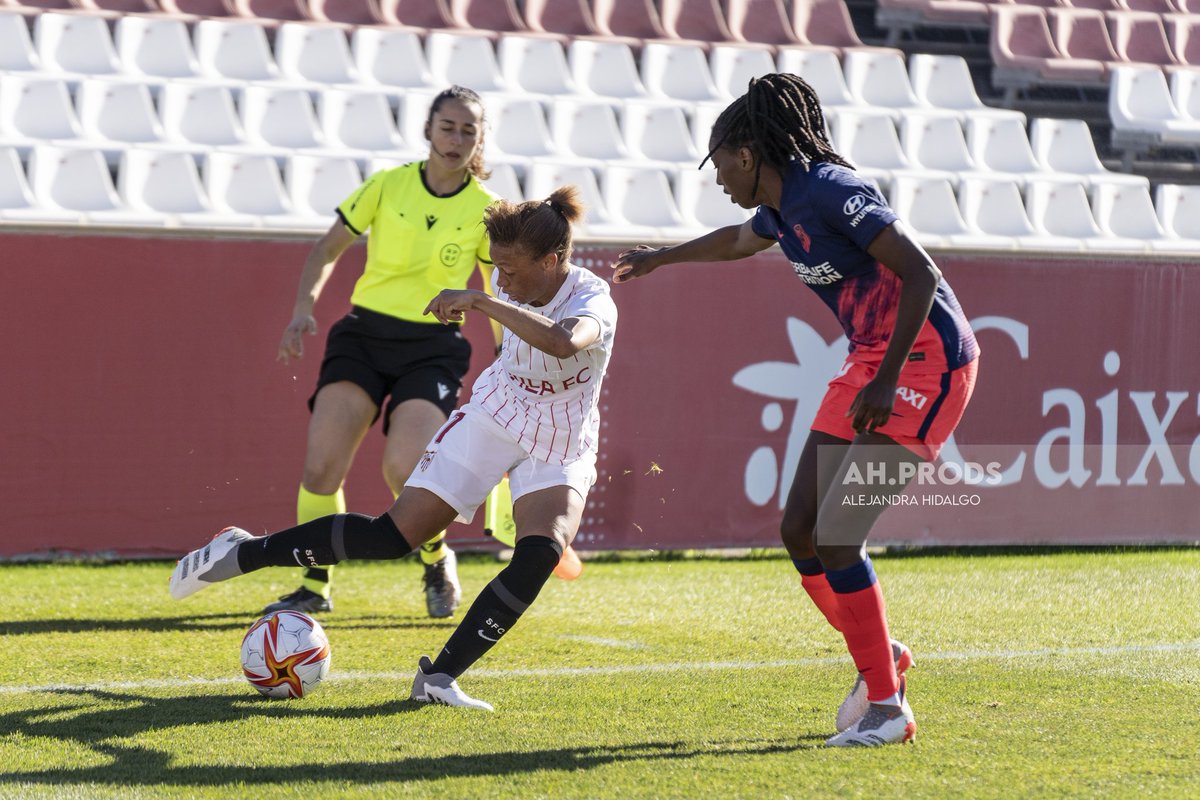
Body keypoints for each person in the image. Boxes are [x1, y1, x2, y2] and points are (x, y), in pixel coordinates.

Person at [611, 74, 979, 747]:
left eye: (719, 161)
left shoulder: (832, 192)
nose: (716, 175)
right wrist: (663, 259)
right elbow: (734, 241)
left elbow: (922, 273)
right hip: (871, 361)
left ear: (748, 154)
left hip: (925, 366)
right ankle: (883, 661)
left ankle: (888, 709)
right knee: (799, 528)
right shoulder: (781, 209)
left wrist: (886, 378)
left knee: (840, 535)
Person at [171, 186, 616, 711]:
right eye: (497, 269)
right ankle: (242, 551)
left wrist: (477, 299)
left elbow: (564, 342)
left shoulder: (593, 301)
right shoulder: (509, 278)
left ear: (552, 259)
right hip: (494, 416)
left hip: (561, 440)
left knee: (541, 550)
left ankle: (439, 677)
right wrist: (491, 294)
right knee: (393, 537)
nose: (503, 279)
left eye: (512, 270)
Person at [269, 85, 501, 619]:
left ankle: (436, 557)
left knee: (406, 469)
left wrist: (508, 363)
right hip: (363, 337)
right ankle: (315, 585)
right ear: (427, 130)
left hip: (433, 346)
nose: (457, 138)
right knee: (322, 466)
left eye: (470, 130)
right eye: (448, 126)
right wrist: (303, 308)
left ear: (480, 140)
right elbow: (326, 248)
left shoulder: (488, 212)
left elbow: (493, 294)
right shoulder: (387, 185)